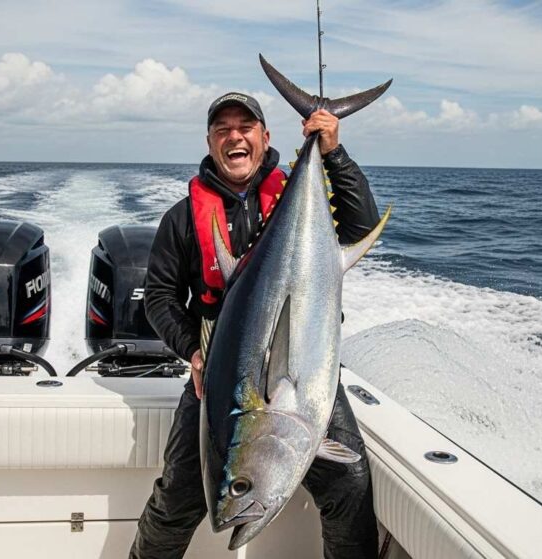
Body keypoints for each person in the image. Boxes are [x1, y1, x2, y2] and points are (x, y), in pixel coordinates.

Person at [130, 92, 380, 559]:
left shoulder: (297, 192)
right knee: (179, 494)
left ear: (265, 137)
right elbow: (160, 298)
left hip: (305, 373)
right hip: (219, 376)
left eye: (245, 126)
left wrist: (332, 153)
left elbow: (361, 224)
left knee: (349, 481)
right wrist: (194, 350)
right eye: (222, 129)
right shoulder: (184, 219)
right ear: (209, 142)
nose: (234, 136)